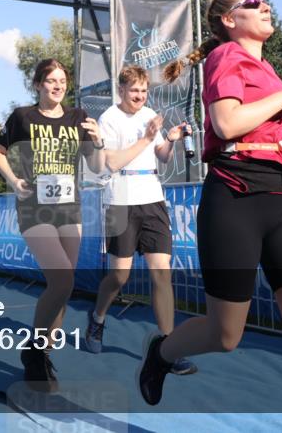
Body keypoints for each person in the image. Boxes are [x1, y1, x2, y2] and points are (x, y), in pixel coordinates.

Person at [136, 0, 282, 433]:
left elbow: (252, 122)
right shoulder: (226, 57)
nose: (265, 5)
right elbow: (226, 122)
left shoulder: (264, 67)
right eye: (252, 3)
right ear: (230, 20)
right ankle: (163, 352)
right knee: (225, 334)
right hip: (235, 197)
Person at [0, 58, 105, 392]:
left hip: (69, 209)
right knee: (61, 279)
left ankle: (42, 357)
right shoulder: (22, 117)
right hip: (34, 208)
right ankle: (34, 351)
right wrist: (14, 181)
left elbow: (97, 166)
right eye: (51, 81)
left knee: (64, 289)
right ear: (38, 84)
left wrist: (98, 141)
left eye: (62, 81)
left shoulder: (79, 118)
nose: (57, 86)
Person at [84, 65, 197, 377]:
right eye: (134, 91)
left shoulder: (150, 115)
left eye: (144, 91)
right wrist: (147, 138)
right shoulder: (108, 118)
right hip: (120, 201)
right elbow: (111, 161)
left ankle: (167, 349)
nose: (140, 96)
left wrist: (170, 139)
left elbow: (161, 156)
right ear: (122, 90)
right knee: (119, 278)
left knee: (162, 272)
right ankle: (98, 318)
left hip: (153, 199)